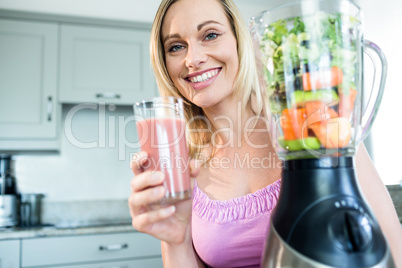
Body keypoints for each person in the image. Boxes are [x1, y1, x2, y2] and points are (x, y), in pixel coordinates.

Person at [128, 0, 402, 267]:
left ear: (239, 42)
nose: (193, 59)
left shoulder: (310, 127)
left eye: (210, 35)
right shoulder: (186, 167)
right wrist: (175, 240)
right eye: (176, 47)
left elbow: (394, 254)